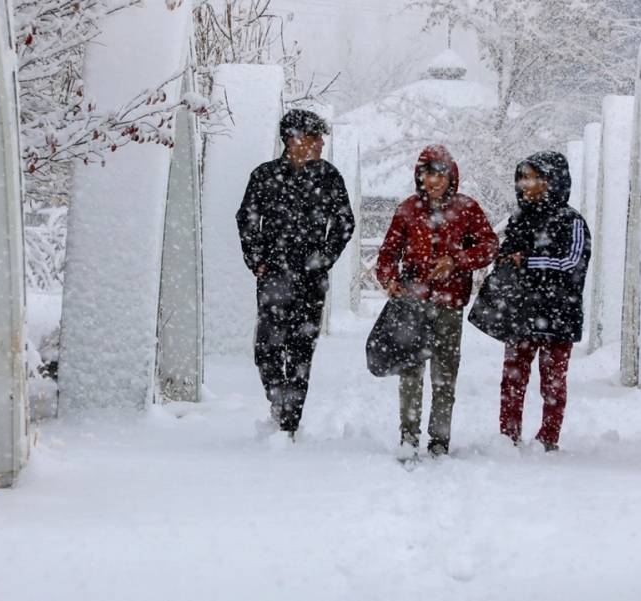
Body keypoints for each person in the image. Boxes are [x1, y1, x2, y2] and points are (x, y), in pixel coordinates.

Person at [235, 109, 355, 438]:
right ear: (292, 139)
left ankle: (289, 422)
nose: (319, 144)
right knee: (267, 349)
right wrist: (256, 258)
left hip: (311, 278)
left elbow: (345, 222)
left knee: (301, 349)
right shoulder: (264, 176)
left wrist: (325, 257)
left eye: (320, 138)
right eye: (313, 137)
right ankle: (278, 400)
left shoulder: (329, 177)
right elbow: (246, 218)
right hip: (273, 273)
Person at [375, 145, 498, 459]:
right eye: (429, 174)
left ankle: (440, 440)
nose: (435, 181)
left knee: (445, 373)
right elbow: (388, 254)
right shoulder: (407, 210)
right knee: (411, 372)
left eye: (441, 174)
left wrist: (457, 261)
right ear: (420, 176)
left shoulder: (467, 209)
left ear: (451, 176)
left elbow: (489, 246)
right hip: (411, 303)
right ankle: (408, 436)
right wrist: (389, 279)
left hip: (449, 304)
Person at [496, 151, 591, 452]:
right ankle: (507, 436)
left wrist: (528, 262)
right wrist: (508, 261)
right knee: (512, 378)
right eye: (523, 177)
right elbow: (505, 256)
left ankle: (548, 437)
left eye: (536, 178)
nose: (527, 184)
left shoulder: (571, 220)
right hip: (523, 312)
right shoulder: (518, 219)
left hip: (558, 314)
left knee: (552, 381)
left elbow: (571, 263)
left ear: (553, 181)